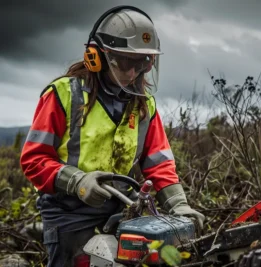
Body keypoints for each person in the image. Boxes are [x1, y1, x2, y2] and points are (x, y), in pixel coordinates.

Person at [20, 5, 205, 267]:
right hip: (68, 215)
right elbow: (34, 159)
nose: (133, 73)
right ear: (97, 57)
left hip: (121, 211)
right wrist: (78, 182)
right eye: (126, 62)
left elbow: (159, 163)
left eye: (143, 63)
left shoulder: (144, 106)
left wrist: (179, 206)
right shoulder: (63, 95)